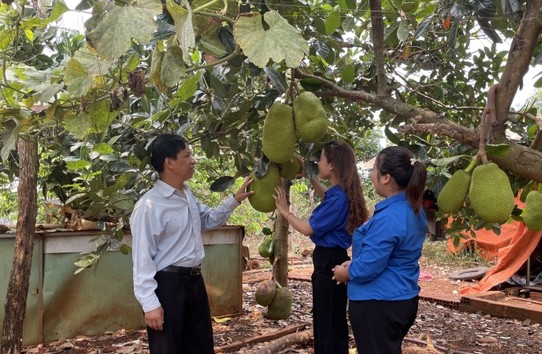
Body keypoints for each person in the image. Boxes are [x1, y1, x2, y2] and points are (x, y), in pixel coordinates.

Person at [130, 133, 253, 354]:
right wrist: (150, 304)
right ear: (169, 163)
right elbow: (142, 258)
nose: (193, 160)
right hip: (168, 285)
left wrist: (235, 199)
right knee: (169, 348)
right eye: (187, 156)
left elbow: (207, 220)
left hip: (194, 281)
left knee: (199, 345)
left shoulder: (186, 195)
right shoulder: (149, 206)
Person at [274, 141, 369, 354]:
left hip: (329, 261)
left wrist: (284, 211)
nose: (318, 163)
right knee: (329, 319)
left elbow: (308, 229)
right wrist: (310, 176)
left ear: (332, 165)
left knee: (328, 324)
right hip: (332, 258)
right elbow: (328, 195)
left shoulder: (339, 199)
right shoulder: (340, 193)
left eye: (321, 160)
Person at [332, 146, 427, 354]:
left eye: (375, 169)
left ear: (386, 178)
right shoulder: (413, 209)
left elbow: (368, 268)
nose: (371, 174)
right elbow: (386, 255)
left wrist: (345, 272)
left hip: (379, 304)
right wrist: (355, 263)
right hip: (402, 298)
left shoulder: (389, 217)